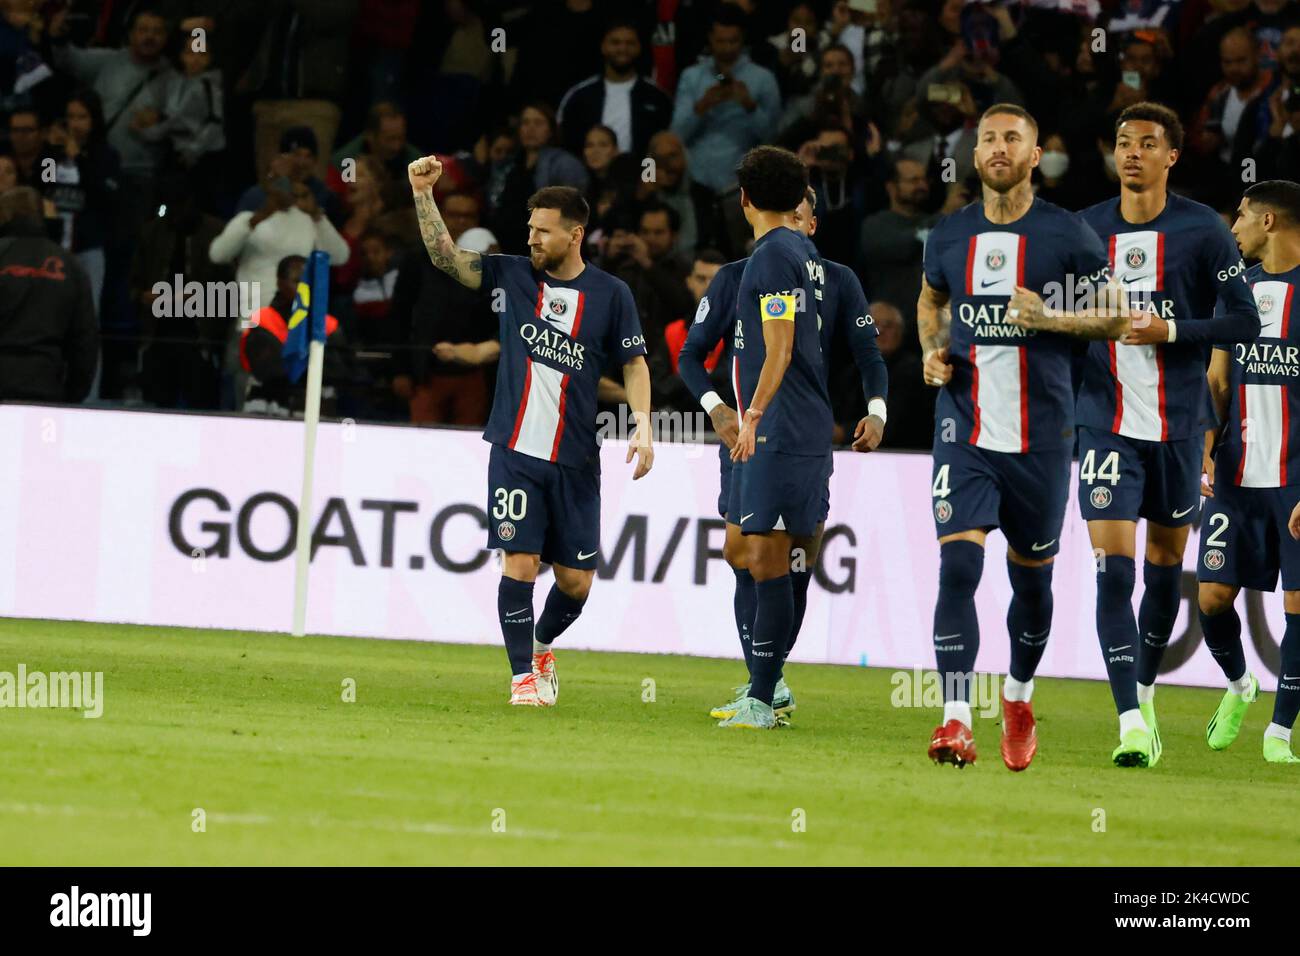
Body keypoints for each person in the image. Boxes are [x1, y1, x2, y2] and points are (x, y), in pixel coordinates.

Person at [920, 103, 1132, 770]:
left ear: (1035, 154)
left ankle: (1017, 695)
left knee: (1032, 588)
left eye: (1013, 138)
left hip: (1043, 438)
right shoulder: (950, 235)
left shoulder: (1067, 236)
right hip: (966, 427)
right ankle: (955, 718)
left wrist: (1049, 318)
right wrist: (932, 349)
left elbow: (1117, 318)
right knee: (959, 566)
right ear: (975, 152)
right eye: (988, 138)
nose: (998, 148)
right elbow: (932, 300)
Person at [407, 160, 653, 707]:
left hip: (576, 459)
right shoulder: (513, 274)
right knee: (518, 561)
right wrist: (423, 194)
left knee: (575, 583)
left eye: (543, 229)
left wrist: (642, 423)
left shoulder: (612, 295)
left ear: (575, 233)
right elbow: (445, 257)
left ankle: (541, 646)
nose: (533, 238)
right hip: (514, 451)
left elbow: (635, 364)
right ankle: (521, 677)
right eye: (530, 228)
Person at [1073, 102, 1261, 768]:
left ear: (1172, 156)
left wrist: (1174, 330)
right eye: (1123, 143)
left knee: (1161, 576)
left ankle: (1146, 696)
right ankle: (1128, 719)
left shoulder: (1203, 230)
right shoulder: (1084, 229)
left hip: (1180, 429)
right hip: (1104, 425)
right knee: (1110, 574)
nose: (1132, 153)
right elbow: (1060, 320)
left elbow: (1245, 322)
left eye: (1147, 144)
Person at [682, 186, 886, 726]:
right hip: (746, 441)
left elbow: (869, 351)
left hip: (800, 437)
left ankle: (767, 685)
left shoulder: (838, 280)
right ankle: (764, 683)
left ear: (812, 225)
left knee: (791, 558)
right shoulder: (736, 276)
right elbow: (688, 356)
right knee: (739, 553)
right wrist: (717, 407)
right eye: (784, 212)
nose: (790, 222)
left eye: (801, 215)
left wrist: (878, 408)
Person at [711, 147, 835, 730]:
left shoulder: (769, 258)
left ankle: (763, 700)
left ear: (745, 200)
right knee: (767, 556)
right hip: (802, 425)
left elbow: (779, 347)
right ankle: (767, 691)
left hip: (782, 428)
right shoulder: (803, 252)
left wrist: (753, 414)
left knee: (767, 559)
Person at [1197, 180, 1300, 764]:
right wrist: (1206, 446)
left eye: (1240, 216)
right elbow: (1216, 380)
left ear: (1270, 222)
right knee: (1212, 598)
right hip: (1236, 477)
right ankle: (1239, 683)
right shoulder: (1234, 292)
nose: (1231, 227)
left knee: (1297, 610)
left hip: (1294, 482)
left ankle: (1279, 735)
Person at [669, 6, 781, 194]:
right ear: (710, 38)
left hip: (744, 183)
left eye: (733, 41)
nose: (727, 48)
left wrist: (750, 106)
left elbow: (774, 139)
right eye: (721, 41)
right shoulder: (691, 76)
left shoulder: (763, 78)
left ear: (743, 38)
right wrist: (701, 106)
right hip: (697, 181)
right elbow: (676, 135)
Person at [0, 186, 97, 403]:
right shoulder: (71, 266)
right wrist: (72, 396)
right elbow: (85, 341)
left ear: (4, 215)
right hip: (46, 388)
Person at [556, 19, 673, 159]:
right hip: (587, 179)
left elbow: (661, 148)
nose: (622, 49)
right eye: (615, 42)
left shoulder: (657, 97)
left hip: (640, 178)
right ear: (603, 47)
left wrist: (649, 179)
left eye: (630, 43)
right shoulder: (579, 96)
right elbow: (565, 142)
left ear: (639, 48)